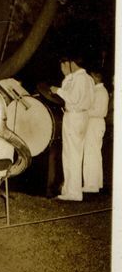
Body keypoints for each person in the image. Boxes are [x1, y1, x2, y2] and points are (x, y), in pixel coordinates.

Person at [50, 56, 95, 201]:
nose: (62, 69)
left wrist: (58, 91)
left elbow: (73, 98)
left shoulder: (79, 79)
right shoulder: (88, 78)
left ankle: (73, 193)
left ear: (70, 63)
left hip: (74, 117)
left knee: (71, 155)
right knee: (75, 154)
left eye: (63, 66)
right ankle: (70, 189)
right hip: (82, 117)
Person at [82, 71, 109, 194]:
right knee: (94, 154)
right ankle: (95, 183)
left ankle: (91, 185)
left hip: (94, 123)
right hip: (95, 123)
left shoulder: (99, 92)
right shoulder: (99, 91)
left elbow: (98, 111)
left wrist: (83, 112)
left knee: (90, 153)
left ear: (96, 78)